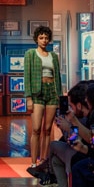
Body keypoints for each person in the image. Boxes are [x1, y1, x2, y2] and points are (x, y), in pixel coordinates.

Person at [24, 25, 61, 170]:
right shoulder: (30, 54)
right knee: (36, 129)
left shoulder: (54, 56)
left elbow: (57, 77)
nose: (44, 40)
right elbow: (27, 76)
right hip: (37, 92)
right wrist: (28, 98)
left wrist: (59, 96)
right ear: (36, 39)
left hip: (52, 91)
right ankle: (33, 162)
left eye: (46, 38)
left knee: (48, 129)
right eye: (41, 38)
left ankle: (44, 160)